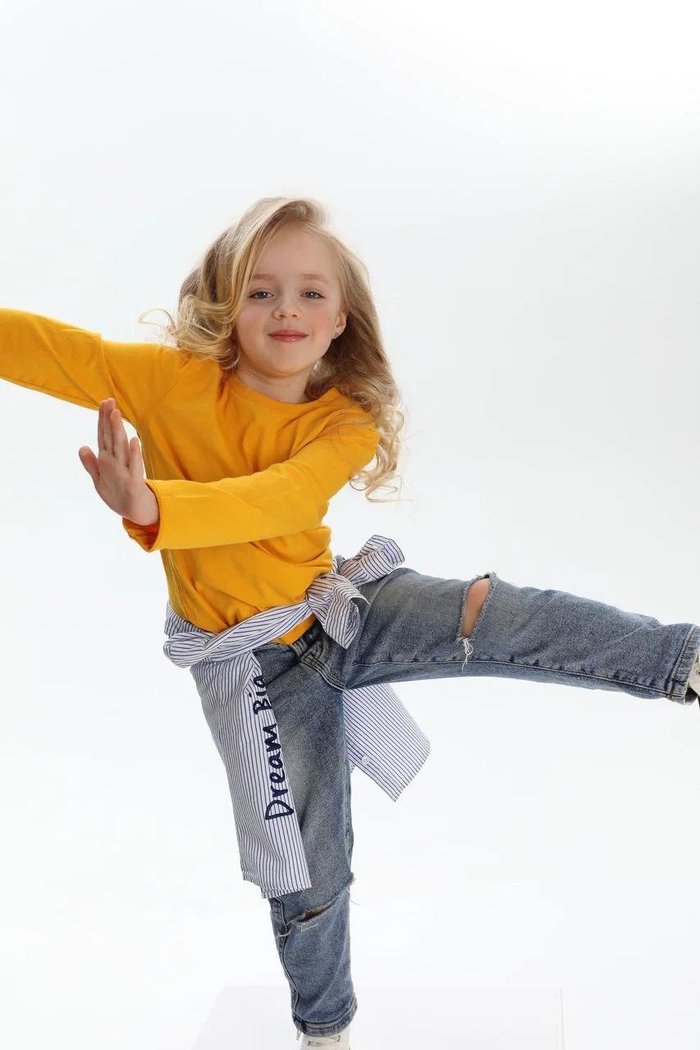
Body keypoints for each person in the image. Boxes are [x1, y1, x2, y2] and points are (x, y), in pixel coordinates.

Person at [1, 196, 698, 1050]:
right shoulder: (167, 380)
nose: (285, 310)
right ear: (226, 306)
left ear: (340, 320)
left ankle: (682, 660)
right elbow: (45, 348)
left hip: (341, 612)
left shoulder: (343, 422)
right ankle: (325, 1026)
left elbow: (279, 499)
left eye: (310, 293)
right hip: (258, 670)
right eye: (260, 292)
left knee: (493, 609)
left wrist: (153, 506)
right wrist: (151, 504)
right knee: (308, 868)